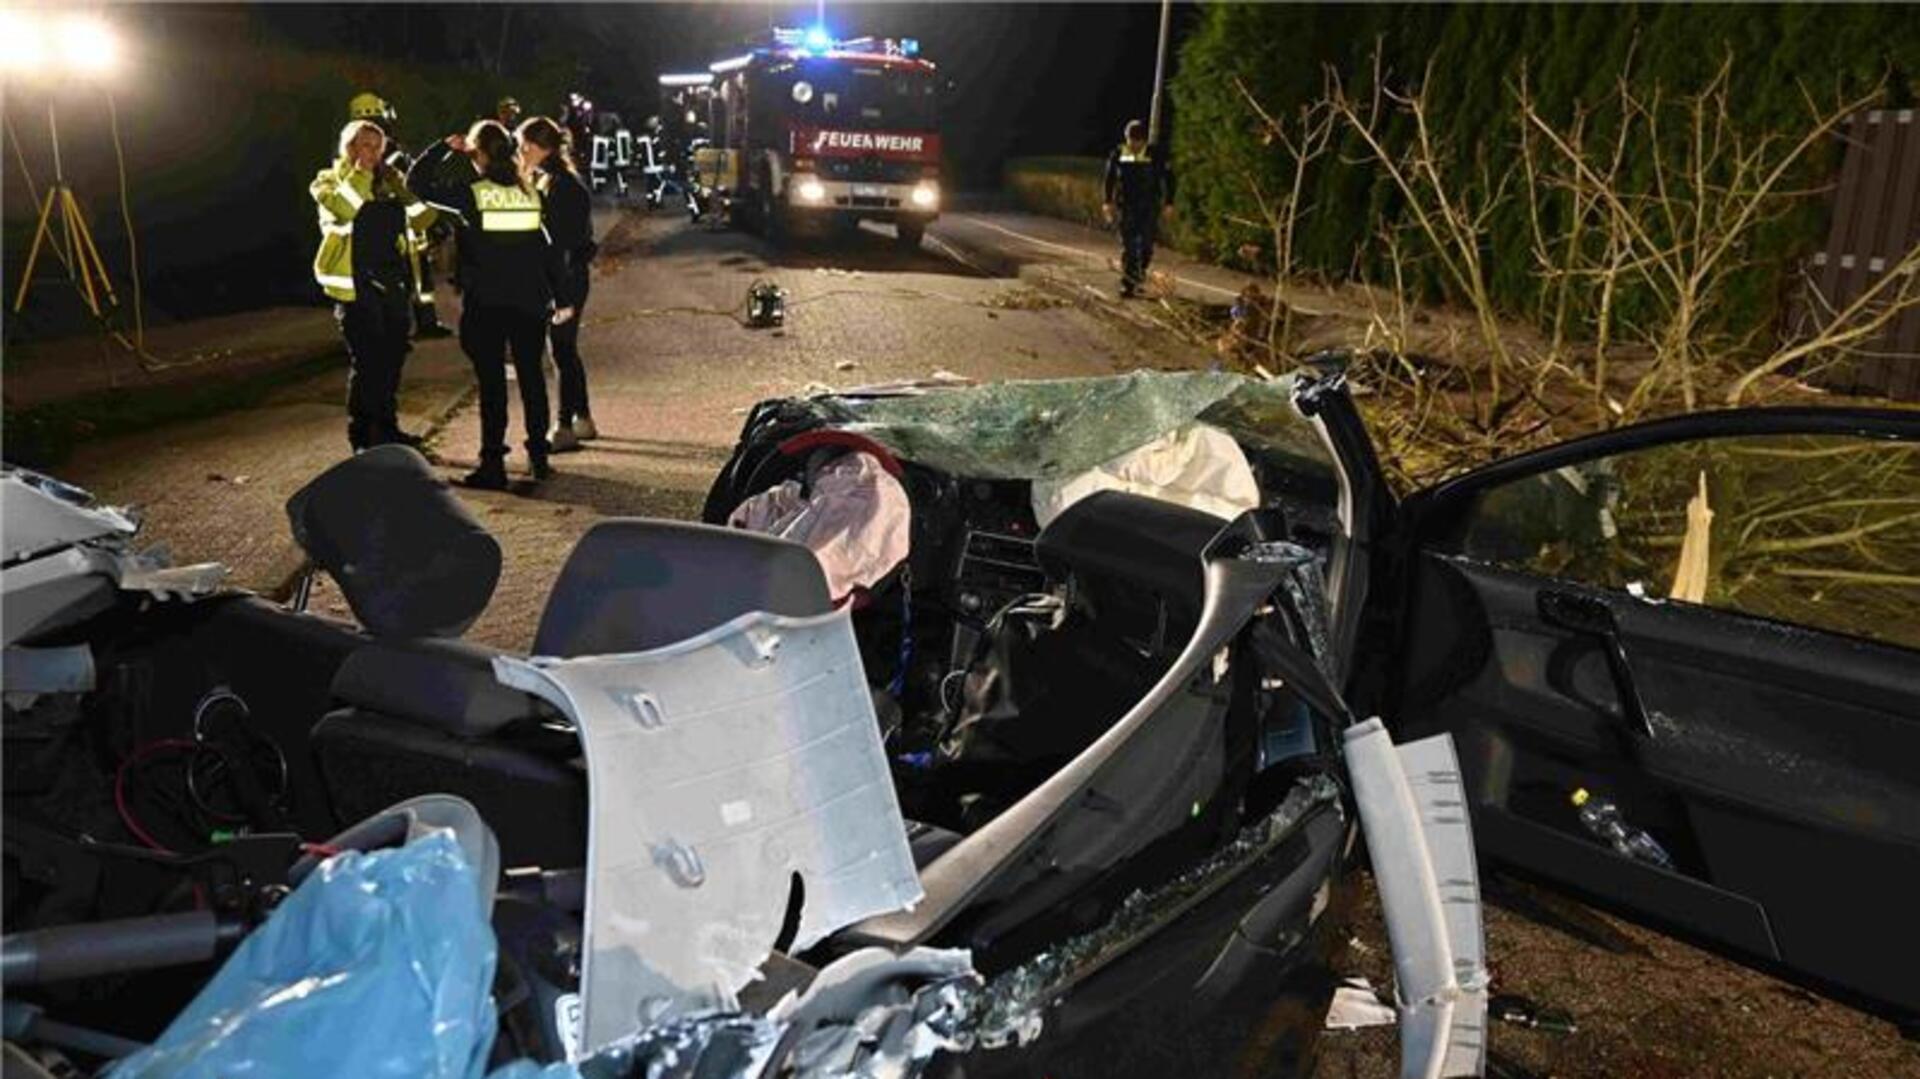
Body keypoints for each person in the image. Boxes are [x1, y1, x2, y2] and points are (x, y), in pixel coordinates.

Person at [408, 120, 573, 490]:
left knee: (493, 384)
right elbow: (549, 254)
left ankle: (493, 465)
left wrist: (443, 148)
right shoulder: (531, 193)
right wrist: (562, 297)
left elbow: (415, 185)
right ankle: (539, 457)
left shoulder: (471, 193)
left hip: (488, 303)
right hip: (530, 301)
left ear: (477, 153)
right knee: (532, 376)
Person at [311, 119, 437, 453]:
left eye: (377, 147)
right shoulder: (327, 181)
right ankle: (363, 437)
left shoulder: (388, 183)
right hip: (356, 285)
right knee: (368, 362)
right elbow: (342, 209)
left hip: (392, 282)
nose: (372, 153)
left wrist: (403, 189)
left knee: (393, 357)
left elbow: (424, 220)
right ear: (349, 147)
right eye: (365, 145)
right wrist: (362, 173)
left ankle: (388, 428)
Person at [517, 116, 599, 451]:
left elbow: (563, 245)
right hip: (563, 279)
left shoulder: (563, 186)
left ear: (544, 147)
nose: (521, 152)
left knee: (562, 348)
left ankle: (565, 425)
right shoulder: (548, 179)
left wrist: (560, 295)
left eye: (526, 146)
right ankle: (582, 417)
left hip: (565, 280)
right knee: (565, 349)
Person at [349, 91, 451, 339]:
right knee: (410, 276)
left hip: (377, 227)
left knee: (407, 277)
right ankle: (414, 324)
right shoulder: (384, 147)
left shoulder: (351, 147)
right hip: (397, 225)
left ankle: (407, 323)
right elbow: (408, 184)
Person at [1102, 119, 1170, 298]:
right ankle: (1128, 283)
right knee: (1129, 246)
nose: (1133, 146)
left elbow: (1169, 178)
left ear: (1143, 141)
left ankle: (1139, 276)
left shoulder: (1154, 154)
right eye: (1130, 141)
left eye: (1136, 142)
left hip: (1149, 206)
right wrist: (1107, 201)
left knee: (1146, 246)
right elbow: (1109, 178)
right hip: (1127, 206)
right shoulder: (1119, 153)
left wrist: (1169, 202)